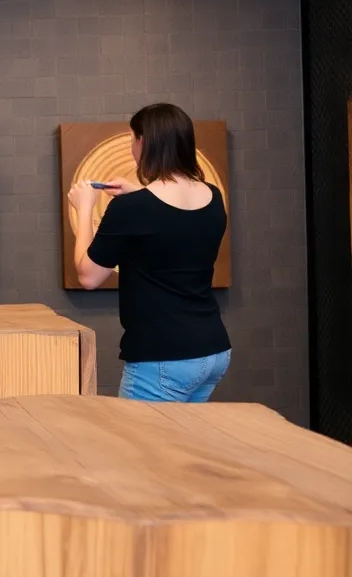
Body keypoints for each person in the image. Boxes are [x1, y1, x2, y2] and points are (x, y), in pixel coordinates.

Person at [68, 102, 232, 403]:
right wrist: (137, 195)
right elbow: (174, 224)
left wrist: (85, 209)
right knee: (182, 447)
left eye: (132, 138)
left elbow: (88, 275)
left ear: (143, 142)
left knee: (141, 448)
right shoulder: (212, 196)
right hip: (213, 350)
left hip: (163, 358)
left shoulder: (131, 210)